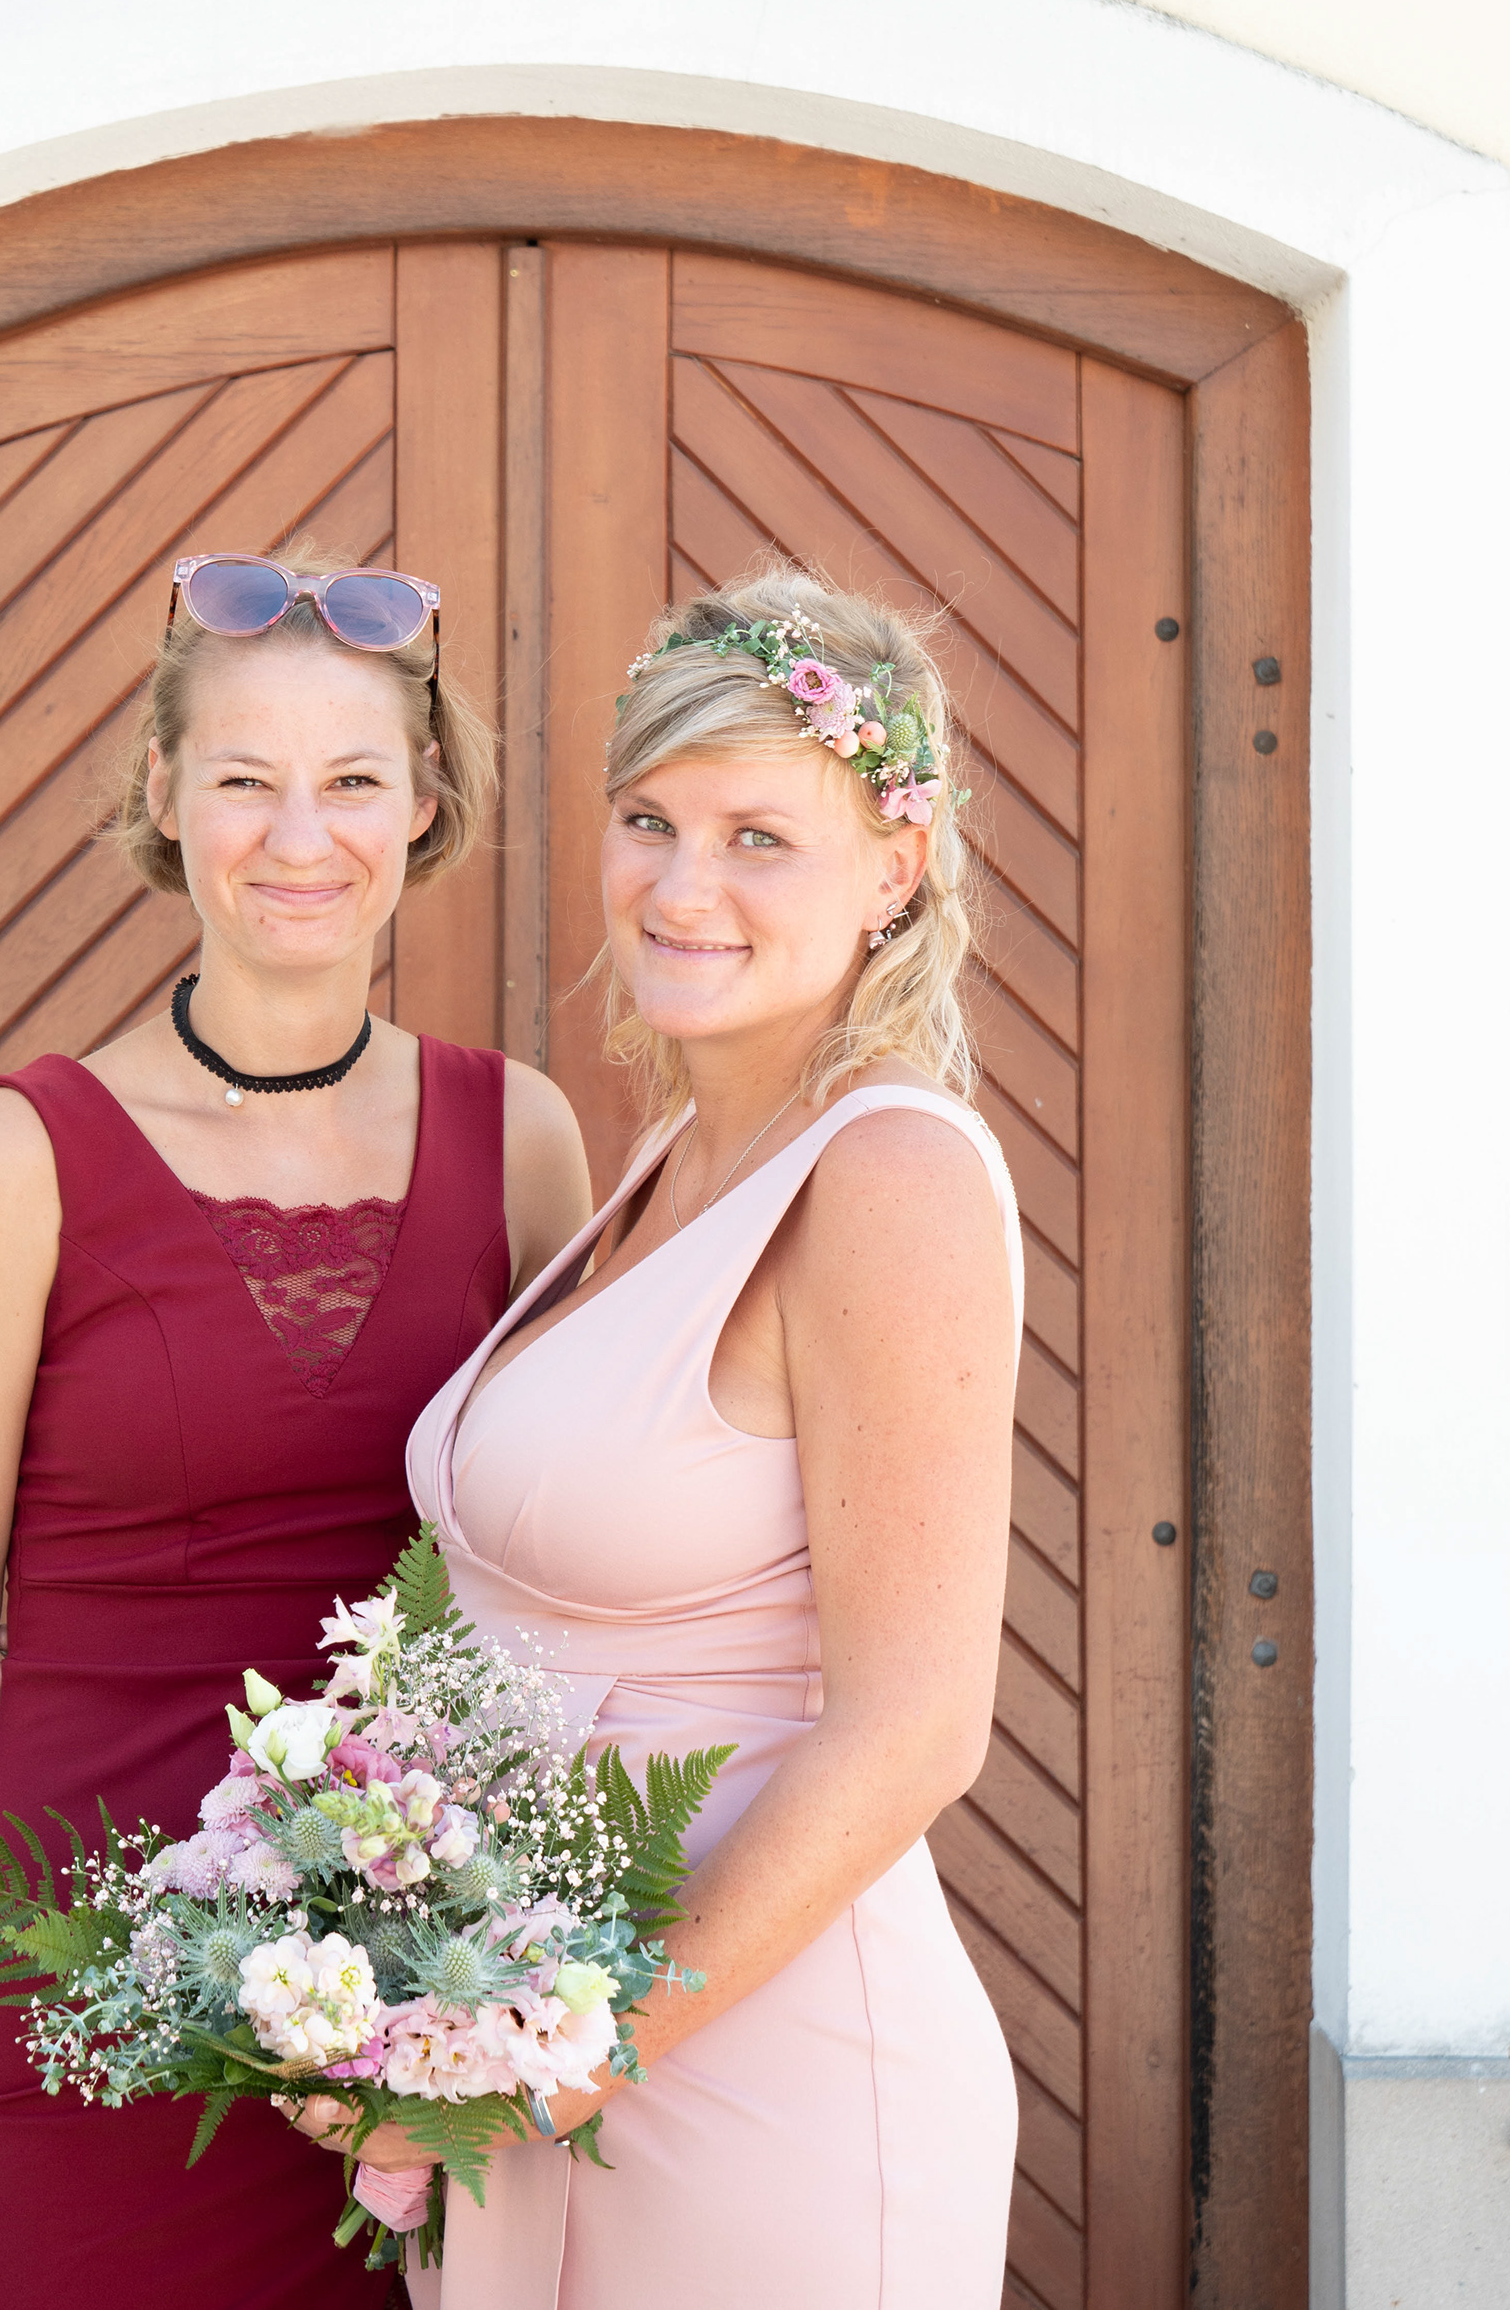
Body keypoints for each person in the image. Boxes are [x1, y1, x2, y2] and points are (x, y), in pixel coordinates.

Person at [0, 544, 592, 2310]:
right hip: (79, 1997)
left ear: (425, 804)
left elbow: (563, 1591)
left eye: (353, 782)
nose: (300, 837)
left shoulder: (524, 1141)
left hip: (407, 2028)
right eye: (246, 780)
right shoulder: (22, 1154)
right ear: (162, 795)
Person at [388, 565, 1022, 2305]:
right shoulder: (675, 1154)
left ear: (894, 864)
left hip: (744, 2080)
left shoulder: (888, 1178)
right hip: (535, 2042)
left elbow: (913, 1730)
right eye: (650, 820)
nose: (681, 887)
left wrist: (569, 2061)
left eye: (759, 837)